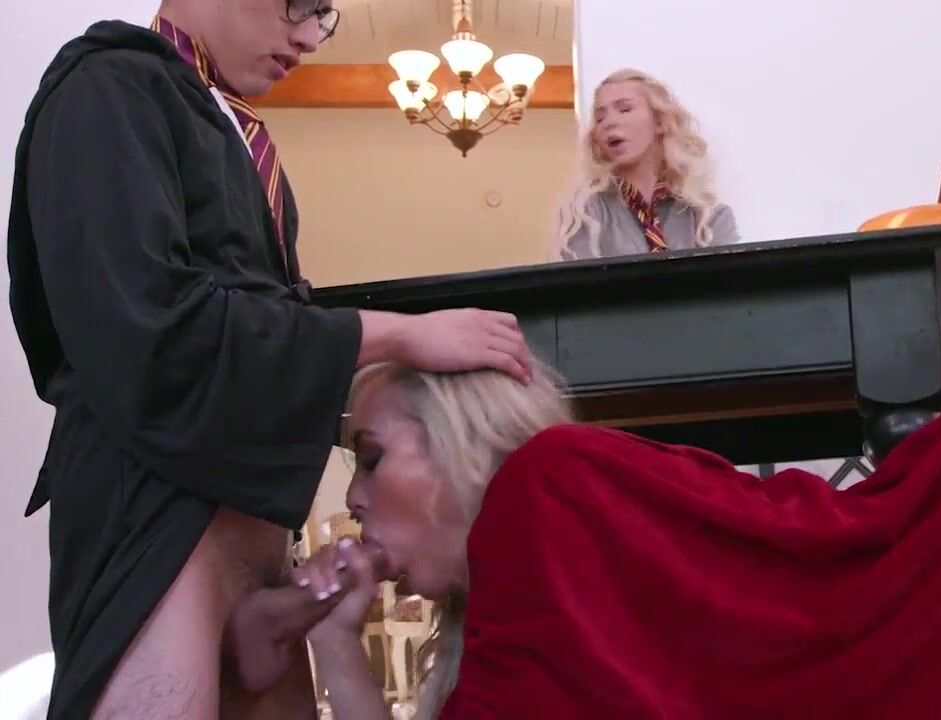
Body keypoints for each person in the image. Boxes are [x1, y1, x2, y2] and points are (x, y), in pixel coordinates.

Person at [5, 1, 534, 717]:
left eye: (324, 15)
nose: (310, 36)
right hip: (155, 525)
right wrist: (398, 336)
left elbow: (248, 340)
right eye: (301, 5)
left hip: (248, 544)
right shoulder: (106, 88)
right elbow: (148, 332)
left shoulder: (231, 128)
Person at [231, 359, 941, 718]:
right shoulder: (522, 602)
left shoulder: (545, 494)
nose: (354, 497)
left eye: (372, 454)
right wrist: (336, 642)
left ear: (455, 440)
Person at [555, 68, 741, 260]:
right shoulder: (584, 214)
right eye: (600, 118)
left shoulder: (709, 218)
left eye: (625, 109)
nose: (609, 122)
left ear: (659, 121)